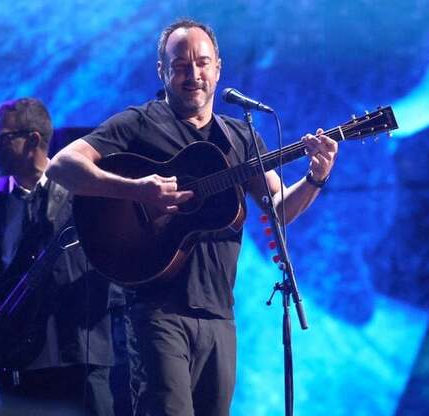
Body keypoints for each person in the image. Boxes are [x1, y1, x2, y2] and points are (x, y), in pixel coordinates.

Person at [48, 19, 338, 416]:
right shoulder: (140, 123)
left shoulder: (241, 136)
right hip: (157, 310)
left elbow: (279, 208)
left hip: (219, 312)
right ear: (161, 71)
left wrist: (315, 177)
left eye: (202, 63)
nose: (193, 75)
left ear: (218, 67)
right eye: (181, 65)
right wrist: (135, 190)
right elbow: (62, 166)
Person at [0, 97, 115, 415]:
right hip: (15, 362)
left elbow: (116, 262)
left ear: (33, 140)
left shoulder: (83, 194)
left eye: (0, 138)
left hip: (78, 355)